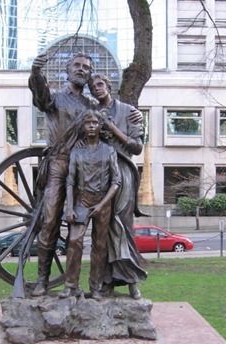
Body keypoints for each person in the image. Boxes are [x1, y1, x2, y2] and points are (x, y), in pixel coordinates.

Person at [28, 51, 96, 297]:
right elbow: (40, 95)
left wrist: (133, 116)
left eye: (86, 67)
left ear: (89, 74)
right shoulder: (55, 100)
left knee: (77, 228)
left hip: (83, 171)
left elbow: (110, 122)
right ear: (68, 71)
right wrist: (36, 73)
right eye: (77, 66)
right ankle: (42, 281)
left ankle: (72, 283)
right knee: (49, 223)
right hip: (57, 165)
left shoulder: (92, 106)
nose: (81, 70)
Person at [88, 73, 147, 300]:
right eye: (93, 87)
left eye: (100, 84)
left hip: (122, 171)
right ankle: (106, 282)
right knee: (101, 230)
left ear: (109, 86)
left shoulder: (127, 111)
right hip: (99, 174)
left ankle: (131, 280)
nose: (96, 88)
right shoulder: (92, 112)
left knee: (121, 225)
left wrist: (113, 129)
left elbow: (137, 148)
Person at [58, 111, 121, 301]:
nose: (92, 126)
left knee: (99, 246)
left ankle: (96, 287)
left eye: (95, 122)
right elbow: (70, 180)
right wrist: (69, 207)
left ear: (100, 126)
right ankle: (71, 285)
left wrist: (102, 204)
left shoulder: (109, 151)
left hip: (103, 202)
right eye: (88, 123)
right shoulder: (77, 151)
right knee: (74, 241)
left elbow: (116, 181)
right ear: (83, 127)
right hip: (82, 201)